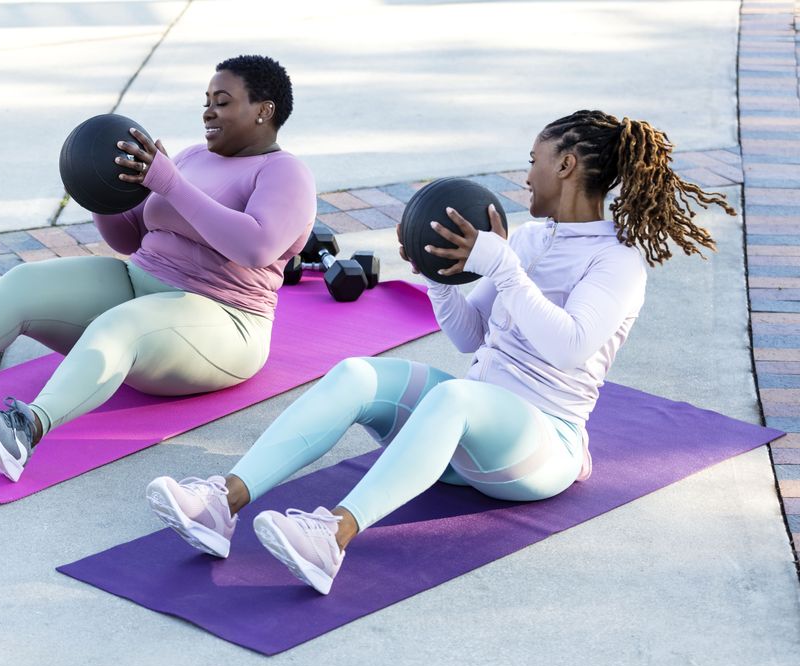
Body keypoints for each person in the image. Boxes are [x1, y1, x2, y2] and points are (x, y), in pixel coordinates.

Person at [146, 110, 736, 594]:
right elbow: (470, 337)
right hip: (462, 434)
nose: (527, 175)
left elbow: (569, 345)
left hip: (540, 443)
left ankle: (331, 539)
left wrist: (503, 266)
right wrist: (438, 278)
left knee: (458, 395)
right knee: (356, 373)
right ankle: (221, 502)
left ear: (567, 164)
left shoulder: (618, 261)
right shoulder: (530, 239)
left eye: (534, 161)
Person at [0, 55, 316, 482]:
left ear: (264, 111)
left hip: (223, 319)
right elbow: (130, 238)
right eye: (206, 99)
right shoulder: (190, 157)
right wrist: (102, 191)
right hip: (141, 283)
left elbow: (255, 246)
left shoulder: (284, 172)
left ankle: (23, 431)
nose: (208, 110)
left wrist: (170, 184)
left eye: (223, 100)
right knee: (26, 283)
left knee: (120, 325)